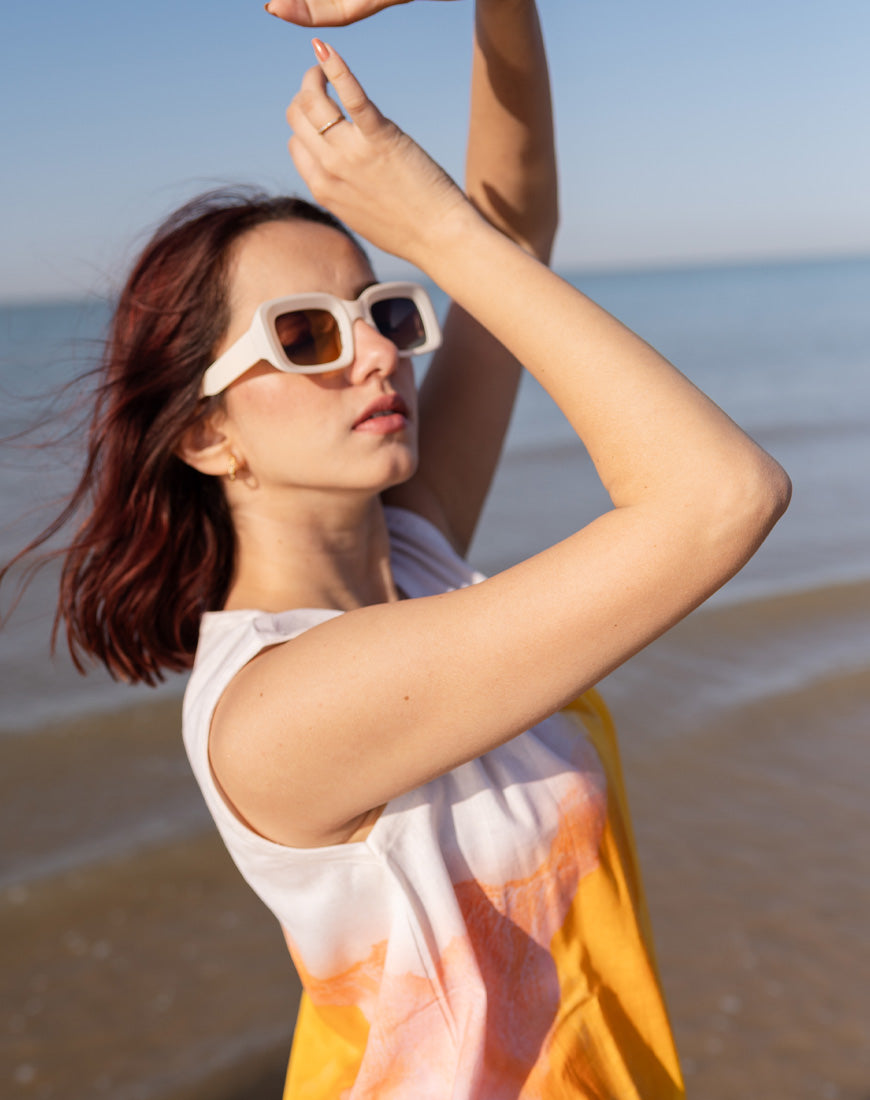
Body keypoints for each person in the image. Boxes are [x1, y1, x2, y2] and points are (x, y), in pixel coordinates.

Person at [2, 0, 790, 1095]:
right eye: (309, 334)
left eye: (383, 307)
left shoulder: (412, 558)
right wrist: (437, 233)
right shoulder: (274, 712)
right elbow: (717, 495)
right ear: (203, 431)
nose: (376, 350)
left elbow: (514, 221)